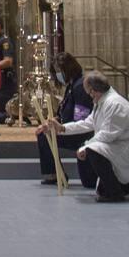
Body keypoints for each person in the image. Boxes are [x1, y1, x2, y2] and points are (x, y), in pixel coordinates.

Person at [49, 70, 129, 202]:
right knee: (101, 187)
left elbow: (108, 134)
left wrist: (85, 147)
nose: (89, 96)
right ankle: (116, 189)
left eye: (89, 92)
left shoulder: (115, 103)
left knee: (93, 150)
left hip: (125, 147)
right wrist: (63, 128)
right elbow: (89, 123)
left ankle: (114, 193)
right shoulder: (102, 101)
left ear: (93, 90)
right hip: (115, 146)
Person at [35, 52, 94, 184]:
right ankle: (54, 173)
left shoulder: (79, 87)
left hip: (80, 132)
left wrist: (59, 126)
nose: (58, 75)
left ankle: (55, 174)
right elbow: (65, 112)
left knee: (45, 136)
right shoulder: (72, 86)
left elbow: (80, 117)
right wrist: (53, 121)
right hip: (67, 127)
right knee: (44, 133)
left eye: (59, 71)